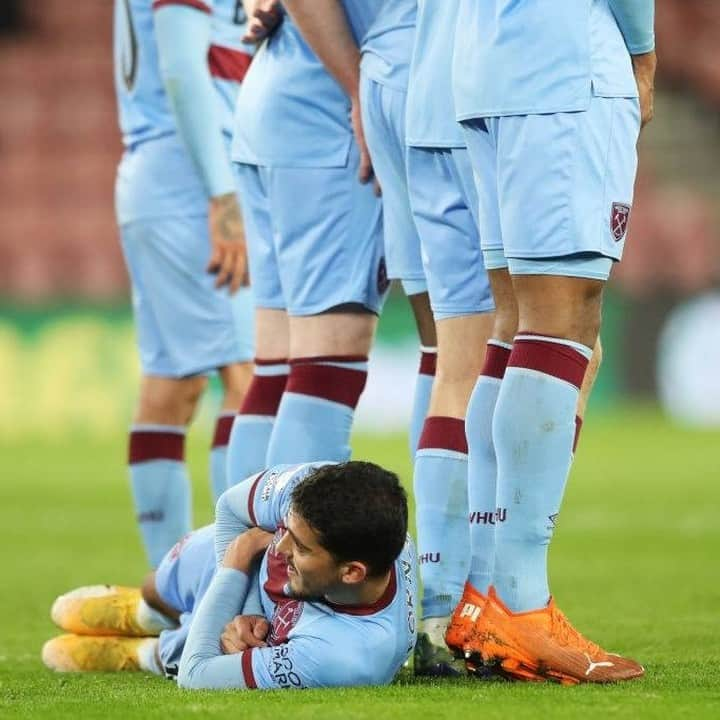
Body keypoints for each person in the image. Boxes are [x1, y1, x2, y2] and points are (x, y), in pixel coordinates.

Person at [447, 0, 656, 684]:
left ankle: (484, 595)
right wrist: (643, 54)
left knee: (513, 327)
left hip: (486, 64)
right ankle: (521, 603)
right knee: (561, 320)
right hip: (563, 69)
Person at [358, 0, 497, 675]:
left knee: (443, 351)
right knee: (518, 355)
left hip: (390, 81)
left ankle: (433, 598)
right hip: (464, 81)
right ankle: (471, 605)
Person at [43, 462, 418, 690]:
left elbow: (197, 674)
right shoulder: (312, 492)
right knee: (155, 588)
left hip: (249, 581)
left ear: (352, 572)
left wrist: (233, 573)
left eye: (301, 548)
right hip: (243, 566)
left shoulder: (343, 658)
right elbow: (230, 508)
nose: (283, 546)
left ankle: (142, 654)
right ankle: (142, 612)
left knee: (195, 650)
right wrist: (245, 605)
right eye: (285, 530)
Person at [114, 0, 257, 568]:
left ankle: (170, 586)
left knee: (173, 384)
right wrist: (222, 198)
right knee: (249, 376)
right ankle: (233, 578)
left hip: (159, 174)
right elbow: (180, 65)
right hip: (192, 179)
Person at [224, 0, 388, 487]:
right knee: (327, 365)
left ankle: (244, 553)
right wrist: (360, 92)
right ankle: (290, 556)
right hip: (327, 118)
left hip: (272, 100)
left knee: (276, 367)